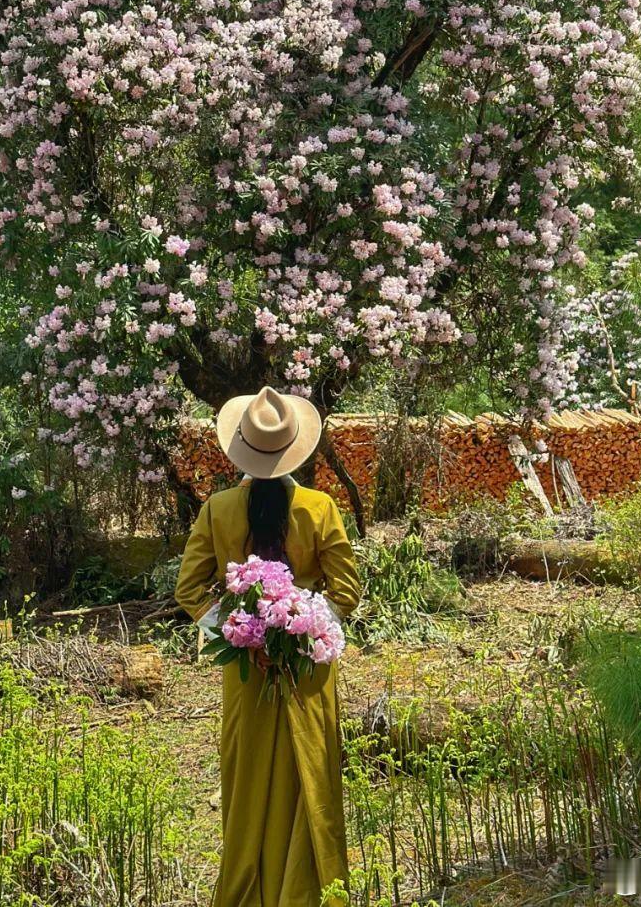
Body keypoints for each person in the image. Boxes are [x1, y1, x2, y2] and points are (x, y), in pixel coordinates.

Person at [175, 386, 362, 907]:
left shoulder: (218, 508)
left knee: (249, 776)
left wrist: (241, 634)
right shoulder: (320, 507)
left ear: (242, 446)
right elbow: (346, 591)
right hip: (309, 671)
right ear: (294, 448)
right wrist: (303, 631)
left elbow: (189, 590)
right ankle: (308, 891)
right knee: (312, 777)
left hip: (245, 670)